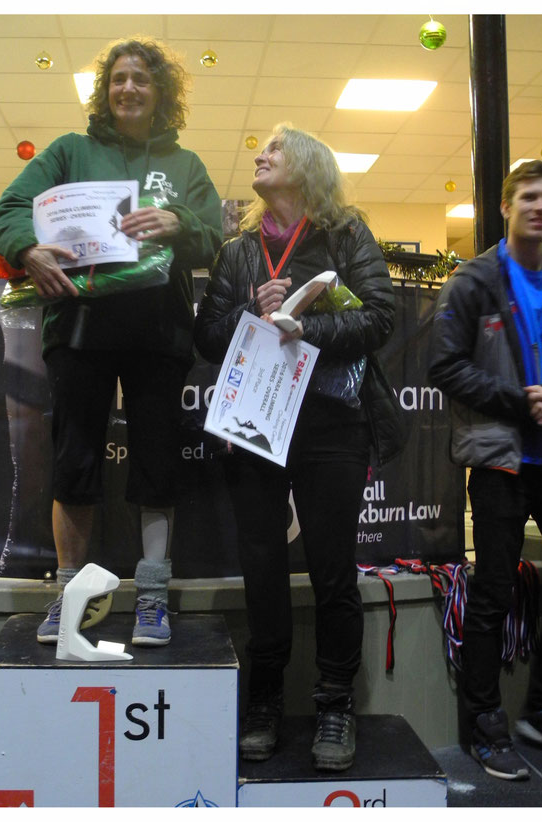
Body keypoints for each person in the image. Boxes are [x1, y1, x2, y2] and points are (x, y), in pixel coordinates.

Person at [0, 37, 223, 647]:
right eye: (118, 78)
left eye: (141, 79)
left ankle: (151, 597)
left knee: (155, 467)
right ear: (105, 90)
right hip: (79, 331)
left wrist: (182, 223)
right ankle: (71, 597)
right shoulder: (69, 151)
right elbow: (9, 207)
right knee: (75, 466)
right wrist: (27, 248)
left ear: (160, 92)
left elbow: (212, 239)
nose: (128, 89)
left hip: (160, 335)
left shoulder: (186, 165)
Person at [194, 124, 403, 771]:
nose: (259, 154)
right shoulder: (236, 253)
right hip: (256, 421)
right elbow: (206, 334)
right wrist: (251, 312)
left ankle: (334, 704)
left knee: (334, 570)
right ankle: (263, 702)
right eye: (259, 148)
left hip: (331, 425)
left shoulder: (345, 233)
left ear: (307, 165)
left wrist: (303, 326)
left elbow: (380, 316)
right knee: (262, 569)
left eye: (275, 149)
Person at [428, 160, 542, 780]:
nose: (540, 206)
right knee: (493, 595)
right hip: (500, 458)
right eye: (528, 196)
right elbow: (445, 366)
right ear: (505, 206)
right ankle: (483, 724)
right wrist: (520, 397)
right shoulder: (472, 281)